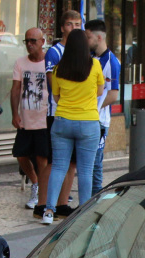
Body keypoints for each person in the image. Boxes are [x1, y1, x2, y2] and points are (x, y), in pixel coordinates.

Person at [42, 29, 103, 225]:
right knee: (85, 170)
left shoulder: (59, 69)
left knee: (59, 167)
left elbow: (56, 96)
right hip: (88, 123)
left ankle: (49, 211)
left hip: (62, 122)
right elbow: (100, 91)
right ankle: (84, 212)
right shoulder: (94, 65)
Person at [45, 11, 83, 215]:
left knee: (73, 163)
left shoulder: (83, 52)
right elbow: (53, 87)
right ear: (62, 28)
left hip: (79, 114)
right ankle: (49, 203)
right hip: (57, 112)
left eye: (78, 24)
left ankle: (62, 203)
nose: (74, 28)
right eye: (70, 24)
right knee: (57, 162)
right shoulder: (54, 52)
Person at [11, 27, 51, 217]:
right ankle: (35, 182)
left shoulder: (50, 62)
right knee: (20, 154)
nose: (29, 44)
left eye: (33, 41)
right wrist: (14, 114)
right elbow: (15, 89)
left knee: (42, 159)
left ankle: (41, 196)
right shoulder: (20, 63)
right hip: (26, 119)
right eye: (26, 41)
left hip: (44, 119)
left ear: (42, 42)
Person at [85, 19, 121, 201]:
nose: (86, 39)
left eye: (88, 36)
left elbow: (113, 95)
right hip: (87, 116)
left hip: (99, 120)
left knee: (96, 163)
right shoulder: (90, 58)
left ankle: (95, 200)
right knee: (88, 163)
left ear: (99, 37)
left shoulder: (112, 62)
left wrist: (94, 107)